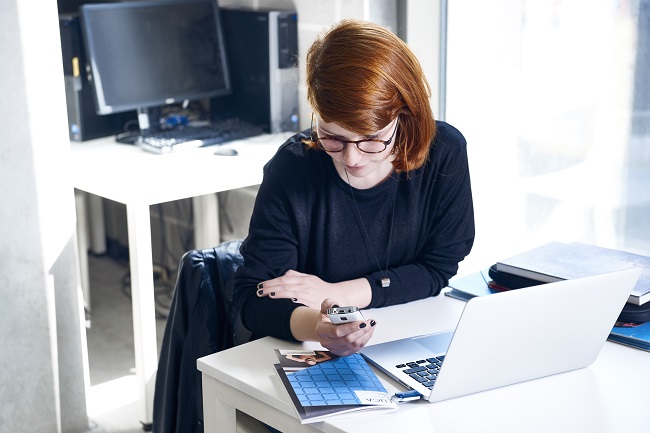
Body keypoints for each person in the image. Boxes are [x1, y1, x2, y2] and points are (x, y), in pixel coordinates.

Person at [233, 19, 475, 357]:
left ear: (404, 115)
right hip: (308, 351)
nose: (351, 158)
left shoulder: (444, 152)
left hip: (410, 336)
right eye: (332, 137)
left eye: (372, 140)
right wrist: (317, 326)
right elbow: (252, 298)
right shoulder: (292, 169)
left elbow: (438, 268)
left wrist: (336, 293)